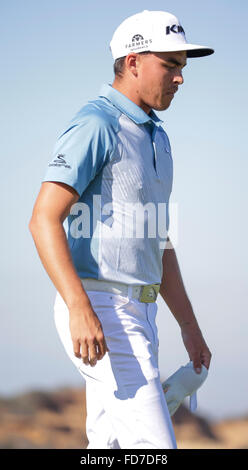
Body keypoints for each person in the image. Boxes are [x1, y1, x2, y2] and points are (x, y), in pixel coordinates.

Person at [29, 10, 214, 449]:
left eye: (182, 67)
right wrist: (78, 307)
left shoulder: (158, 138)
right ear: (132, 62)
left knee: (108, 449)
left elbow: (159, 241)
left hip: (141, 313)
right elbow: (42, 218)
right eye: (170, 65)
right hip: (100, 309)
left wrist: (189, 326)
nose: (180, 78)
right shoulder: (96, 123)